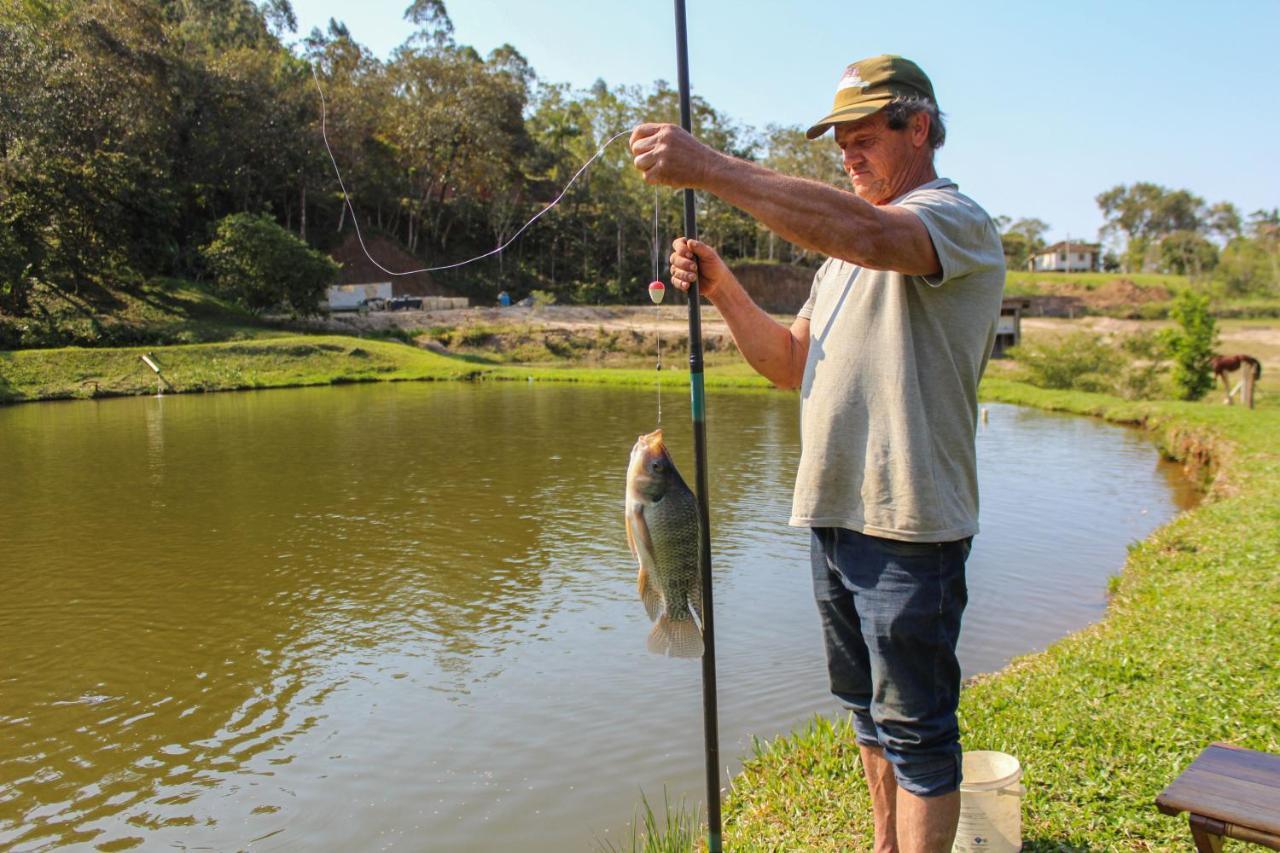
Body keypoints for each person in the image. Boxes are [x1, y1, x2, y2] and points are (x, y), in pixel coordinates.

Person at [629, 55, 1005, 852]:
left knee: (919, 729)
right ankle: (883, 841)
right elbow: (791, 363)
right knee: (866, 712)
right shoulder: (841, 260)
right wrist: (724, 287)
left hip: (910, 524)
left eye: (864, 138)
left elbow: (870, 232)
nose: (849, 156)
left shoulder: (949, 220)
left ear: (922, 129)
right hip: (834, 515)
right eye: (841, 144)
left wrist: (709, 168)